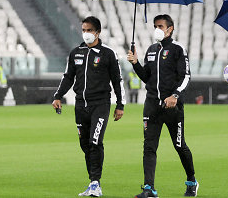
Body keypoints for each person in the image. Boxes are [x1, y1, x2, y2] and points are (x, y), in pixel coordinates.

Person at [52, 16, 126, 197]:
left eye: (89, 30)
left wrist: (120, 104)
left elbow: (117, 80)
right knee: (85, 144)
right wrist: (58, 96)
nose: (86, 34)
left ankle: (96, 183)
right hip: (80, 105)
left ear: (98, 32)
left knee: (95, 141)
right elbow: (68, 77)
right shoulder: (75, 52)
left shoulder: (108, 54)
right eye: (84, 30)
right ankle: (92, 182)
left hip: (100, 104)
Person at [127, 14, 199, 197]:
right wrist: (135, 64)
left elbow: (186, 76)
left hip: (172, 107)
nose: (157, 29)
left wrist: (175, 95)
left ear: (170, 28)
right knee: (149, 147)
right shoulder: (151, 50)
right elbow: (146, 77)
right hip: (151, 105)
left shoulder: (177, 49)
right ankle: (149, 189)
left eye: (160, 26)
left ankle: (192, 181)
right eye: (155, 26)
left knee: (179, 145)